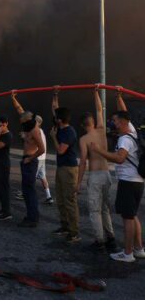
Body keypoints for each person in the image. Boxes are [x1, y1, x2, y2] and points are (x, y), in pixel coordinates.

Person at [90, 110, 145, 262]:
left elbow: (120, 158)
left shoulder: (124, 140)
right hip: (137, 181)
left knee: (128, 218)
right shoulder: (133, 132)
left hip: (128, 181)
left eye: (114, 121)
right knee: (132, 215)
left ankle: (127, 253)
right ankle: (139, 249)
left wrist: (98, 150)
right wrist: (120, 96)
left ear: (121, 122)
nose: (113, 123)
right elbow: (126, 113)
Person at [77, 87, 116, 252]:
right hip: (106, 174)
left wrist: (78, 183)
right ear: (93, 121)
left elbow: (83, 162)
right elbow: (100, 109)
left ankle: (100, 241)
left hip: (94, 176)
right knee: (105, 208)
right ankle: (111, 237)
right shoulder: (101, 131)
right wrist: (95, 93)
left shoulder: (84, 139)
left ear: (82, 124)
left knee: (95, 210)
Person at [50, 88, 80, 243]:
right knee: (60, 198)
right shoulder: (61, 126)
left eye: (56, 118)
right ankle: (64, 226)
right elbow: (55, 109)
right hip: (61, 168)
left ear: (60, 120)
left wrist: (54, 138)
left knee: (69, 200)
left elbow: (61, 150)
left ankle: (74, 232)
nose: (54, 118)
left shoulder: (69, 132)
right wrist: (55, 95)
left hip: (68, 169)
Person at [11, 93, 53, 204]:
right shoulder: (37, 130)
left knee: (31, 178)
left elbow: (40, 147)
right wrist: (13, 98)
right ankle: (49, 196)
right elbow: (20, 110)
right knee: (42, 176)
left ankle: (26, 194)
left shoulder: (35, 131)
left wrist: (30, 158)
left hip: (36, 157)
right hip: (41, 158)